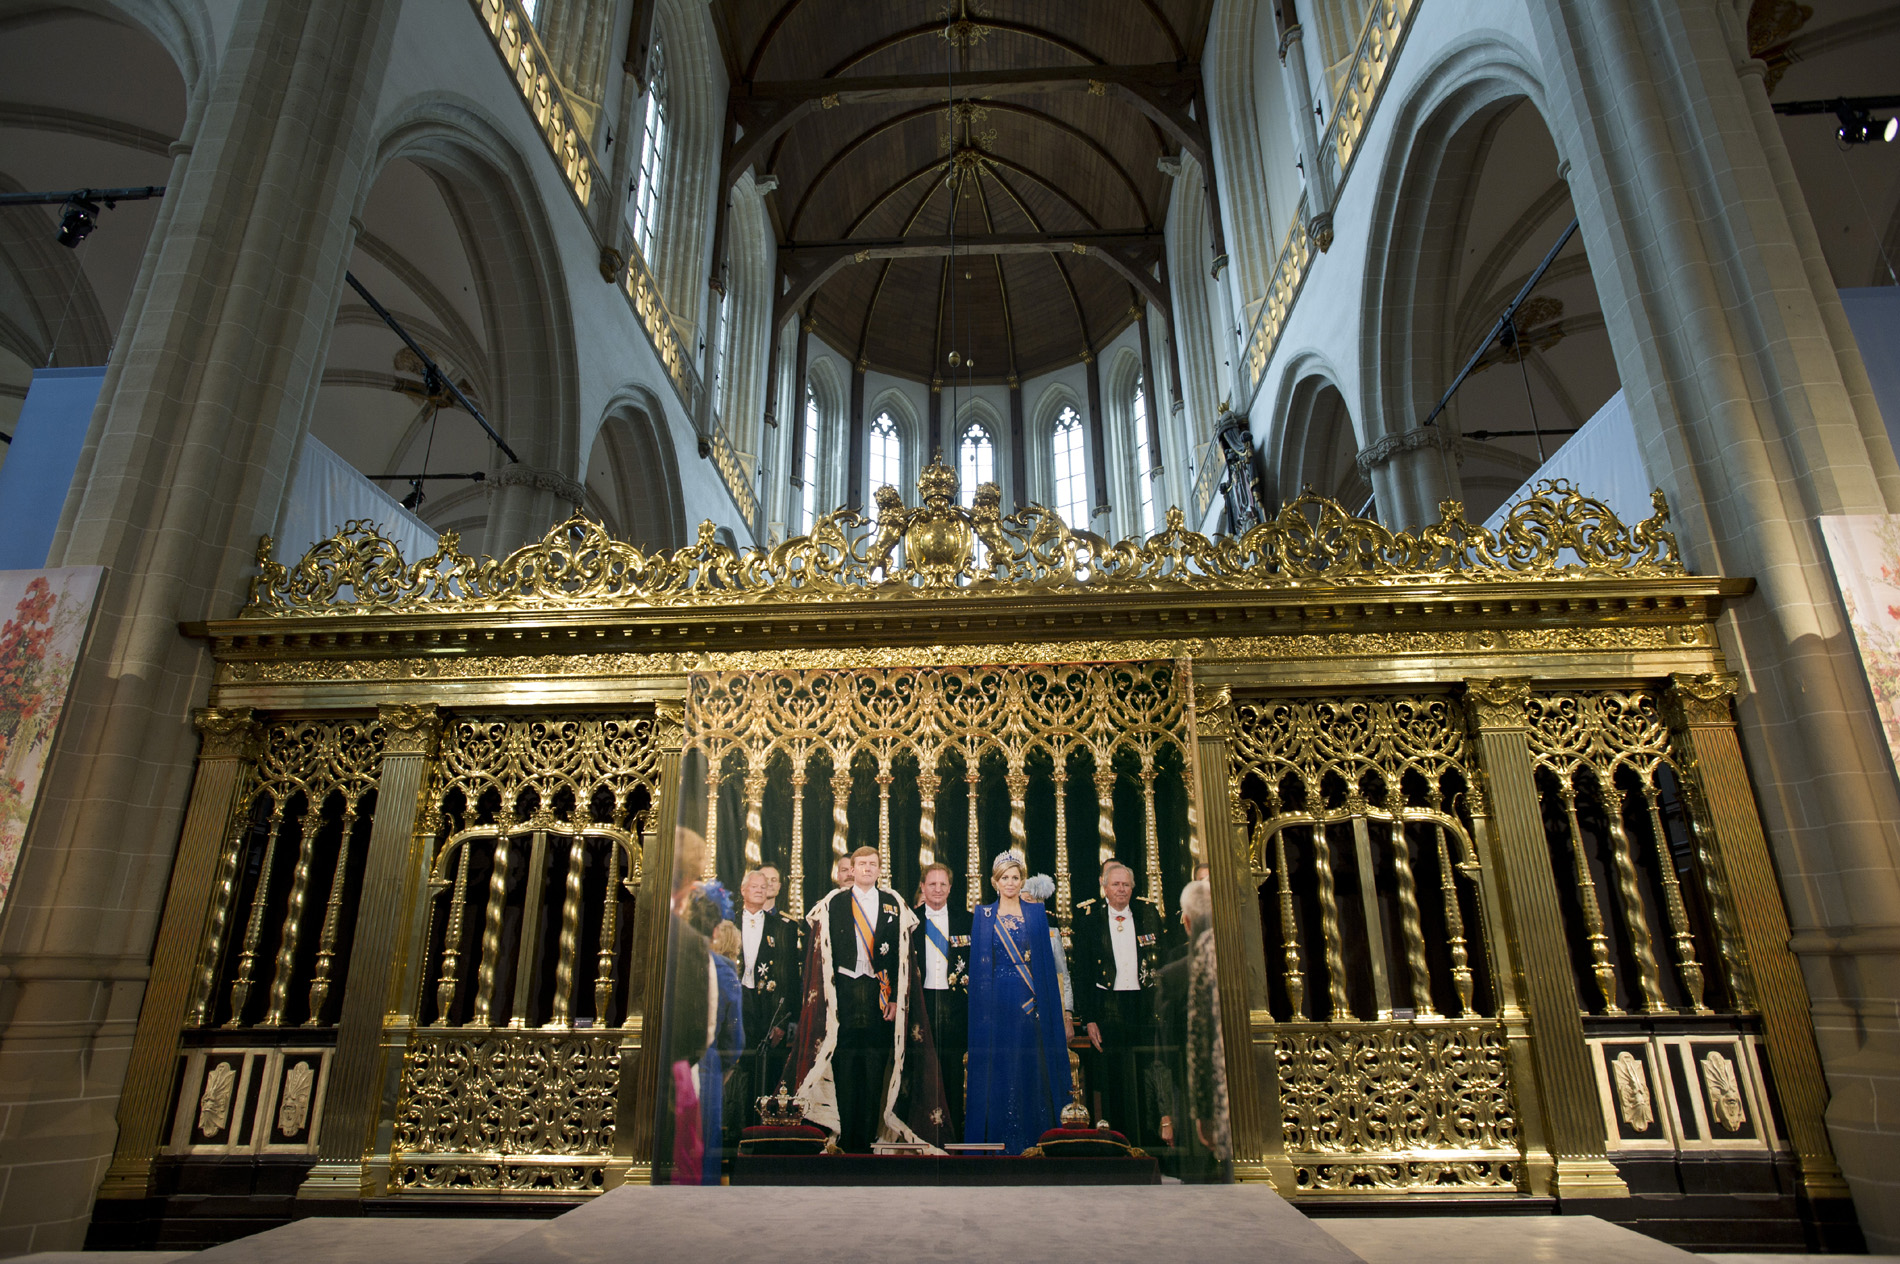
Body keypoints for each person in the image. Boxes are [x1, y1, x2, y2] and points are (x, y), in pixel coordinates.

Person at [788, 846, 947, 1153]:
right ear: (852, 869)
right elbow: (819, 958)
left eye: (872, 864)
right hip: (844, 998)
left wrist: (895, 1000)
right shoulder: (832, 903)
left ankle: (871, 1139)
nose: (866, 869)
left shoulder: (893, 902)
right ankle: (847, 1140)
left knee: (876, 1067)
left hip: (881, 998)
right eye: (861, 864)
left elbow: (904, 958)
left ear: (878, 869)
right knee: (846, 1067)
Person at [964, 852, 1073, 1154]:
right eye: (1004, 878)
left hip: (1031, 1002)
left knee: (1031, 1067)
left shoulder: (1037, 914)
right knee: (1001, 1067)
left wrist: (1047, 1003)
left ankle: (1034, 1141)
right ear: (994, 882)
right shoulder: (983, 915)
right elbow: (980, 966)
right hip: (998, 1002)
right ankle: (1000, 1143)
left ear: (1022, 880)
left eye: (1015, 877)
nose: (1010, 883)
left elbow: (1046, 966)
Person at [1070, 861, 1163, 1143]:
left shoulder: (1148, 915)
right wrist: (1089, 1019)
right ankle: (1116, 1142)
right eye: (1115, 884)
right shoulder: (1090, 922)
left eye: (1126, 885)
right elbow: (1082, 975)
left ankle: (1147, 1142)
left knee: (1146, 1075)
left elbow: (1162, 961)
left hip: (1142, 1007)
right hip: (1108, 1008)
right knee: (1112, 1078)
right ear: (1105, 888)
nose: (1121, 889)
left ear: (1133, 888)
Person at [685, 891, 745, 1185]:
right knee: (704, 1138)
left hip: (671, 1058)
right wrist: (727, 1064)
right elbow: (734, 1035)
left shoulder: (675, 959)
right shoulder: (723, 969)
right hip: (706, 1060)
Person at [736, 868, 803, 1125]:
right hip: (738, 1004)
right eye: (754, 886)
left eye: (764, 887)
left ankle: (765, 1130)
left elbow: (788, 980)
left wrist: (782, 1024)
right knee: (739, 1068)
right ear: (743, 890)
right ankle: (738, 1130)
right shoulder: (727, 922)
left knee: (768, 1073)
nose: (759, 890)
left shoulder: (783, 927)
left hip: (769, 1009)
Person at [911, 862, 972, 1136]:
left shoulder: (967, 920)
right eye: (931, 884)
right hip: (920, 1006)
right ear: (922, 887)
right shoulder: (909, 922)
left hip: (955, 1008)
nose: (937, 889)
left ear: (950, 887)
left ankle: (953, 1136)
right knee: (920, 1074)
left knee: (951, 1072)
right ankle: (921, 1135)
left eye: (942, 884)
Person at [1019, 874, 1075, 1026]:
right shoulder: (1006, 934)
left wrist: (1068, 1014)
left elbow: (1062, 975)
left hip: (1046, 1006)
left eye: (1029, 899)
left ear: (1038, 904)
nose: (1024, 904)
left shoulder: (1050, 934)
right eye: (1020, 900)